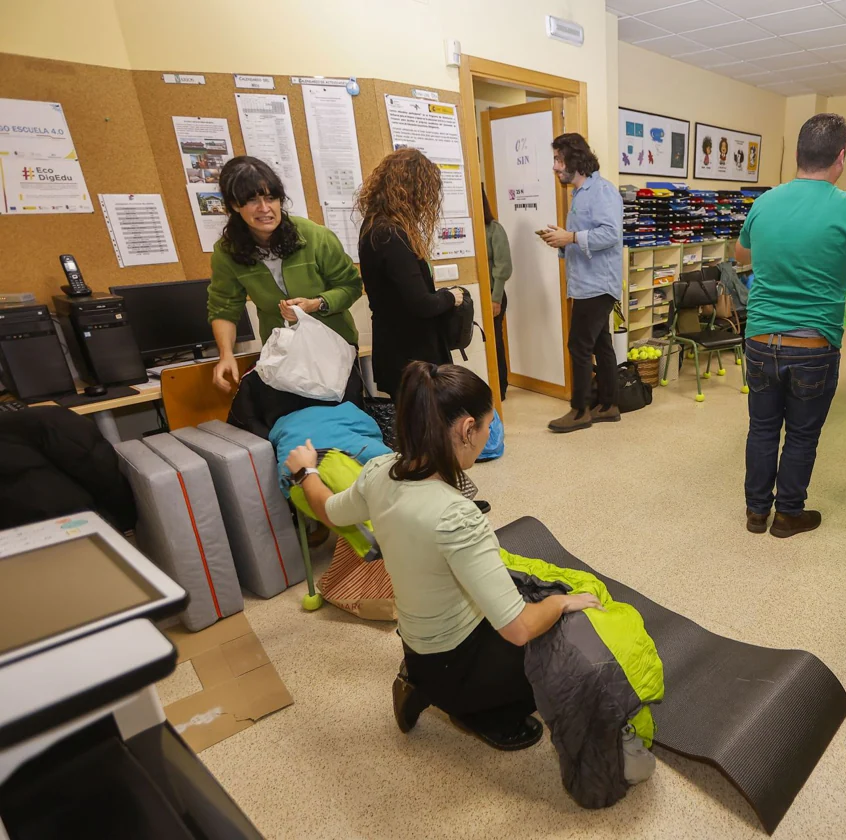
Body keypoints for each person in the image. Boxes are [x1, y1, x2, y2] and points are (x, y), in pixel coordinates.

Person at [284, 362, 601, 750]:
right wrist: (560, 602)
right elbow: (517, 628)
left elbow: (328, 509)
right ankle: (476, 711)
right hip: (457, 663)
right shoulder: (457, 517)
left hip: (418, 645)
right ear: (467, 429)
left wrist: (305, 473)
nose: (487, 438)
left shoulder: (379, 472)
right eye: (487, 428)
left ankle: (422, 682)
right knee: (563, 660)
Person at [734, 114, 846, 538]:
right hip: (813, 347)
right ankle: (788, 515)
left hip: (759, 339)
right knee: (801, 434)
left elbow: (741, 256)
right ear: (841, 158)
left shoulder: (765, 202)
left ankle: (757, 513)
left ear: (797, 155)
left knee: (761, 428)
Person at [208, 156, 362, 392]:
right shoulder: (227, 252)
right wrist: (226, 355)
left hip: (334, 348)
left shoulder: (314, 236)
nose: (264, 208)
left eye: (271, 198)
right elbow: (224, 308)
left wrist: (316, 303)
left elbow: (351, 286)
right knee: (292, 424)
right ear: (234, 205)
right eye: (252, 200)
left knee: (343, 422)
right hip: (282, 355)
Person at [357, 148, 465, 397]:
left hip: (397, 349)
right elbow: (421, 303)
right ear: (413, 191)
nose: (428, 202)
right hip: (412, 356)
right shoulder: (391, 234)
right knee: (426, 429)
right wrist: (452, 296)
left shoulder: (373, 225)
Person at [537, 133, 624, 433]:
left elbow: (611, 234)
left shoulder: (602, 191)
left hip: (598, 284)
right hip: (587, 281)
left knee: (578, 345)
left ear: (575, 160)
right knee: (601, 344)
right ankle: (610, 405)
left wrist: (571, 237)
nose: (555, 167)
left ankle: (580, 410)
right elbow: (586, 237)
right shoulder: (580, 194)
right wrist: (562, 238)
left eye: (559, 160)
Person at [483, 187, 513, 400]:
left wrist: (495, 298)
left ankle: (500, 387)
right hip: (473, 296)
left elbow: (502, 267)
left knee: (495, 341)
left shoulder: (494, 229)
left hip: (494, 294)